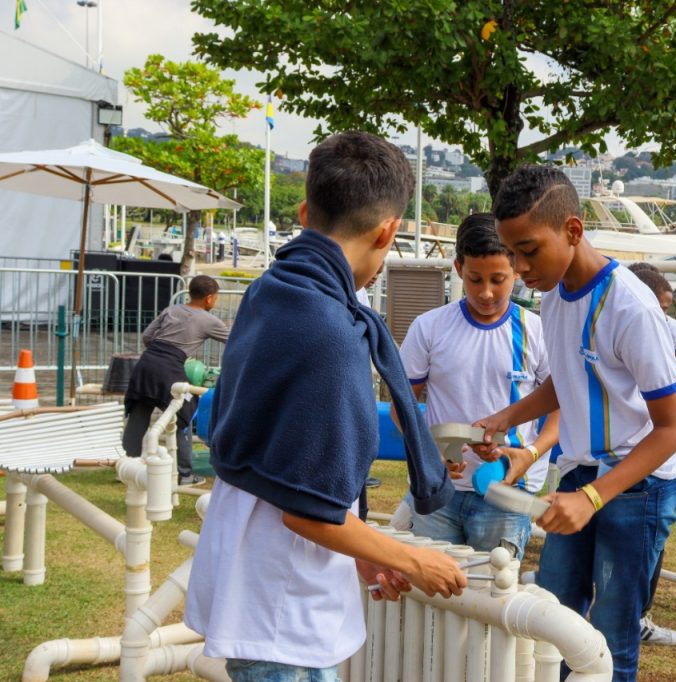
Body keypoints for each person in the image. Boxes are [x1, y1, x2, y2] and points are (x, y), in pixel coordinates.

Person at [185, 132, 466, 682]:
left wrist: (361, 553)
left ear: (303, 211)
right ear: (387, 231)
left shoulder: (274, 288)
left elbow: (288, 462)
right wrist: (410, 558)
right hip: (281, 603)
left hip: (255, 568)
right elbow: (307, 509)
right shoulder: (331, 330)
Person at [474, 165, 676, 682]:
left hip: (638, 486)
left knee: (612, 636)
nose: (520, 266)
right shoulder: (553, 296)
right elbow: (569, 379)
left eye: (529, 250)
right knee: (554, 617)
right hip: (576, 472)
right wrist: (508, 417)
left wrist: (593, 498)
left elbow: (672, 429)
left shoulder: (632, 308)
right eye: (513, 253)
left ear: (573, 230)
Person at [397, 212, 559, 558]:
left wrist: (530, 454)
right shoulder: (429, 327)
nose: (486, 292)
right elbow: (402, 404)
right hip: (438, 488)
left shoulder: (537, 331)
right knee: (433, 601)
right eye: (474, 279)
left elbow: (563, 406)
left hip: (505, 489)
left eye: (498, 279)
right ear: (458, 269)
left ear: (516, 268)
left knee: (493, 594)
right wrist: (431, 452)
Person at [627, 263, 676, 647]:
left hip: (661, 462)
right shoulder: (621, 318)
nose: (664, 314)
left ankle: (638, 619)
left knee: (651, 545)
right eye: (660, 306)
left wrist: (663, 390)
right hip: (621, 455)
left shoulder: (664, 328)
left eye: (668, 308)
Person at [122, 275, 229, 485]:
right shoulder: (209, 320)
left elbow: (147, 336)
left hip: (145, 364)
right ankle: (185, 474)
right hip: (169, 368)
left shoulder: (171, 310)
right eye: (215, 298)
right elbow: (234, 339)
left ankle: (126, 467)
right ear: (209, 298)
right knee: (186, 415)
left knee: (139, 413)